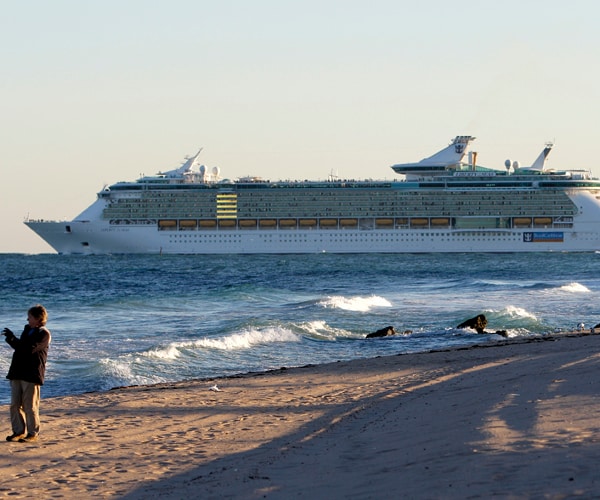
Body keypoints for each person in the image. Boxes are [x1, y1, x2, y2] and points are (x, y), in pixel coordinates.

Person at [2, 305, 51, 443]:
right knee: (14, 404)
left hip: (31, 374)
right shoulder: (28, 330)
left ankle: (32, 433)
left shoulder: (44, 334)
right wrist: (11, 338)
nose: (27, 319)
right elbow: (20, 348)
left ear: (37, 319)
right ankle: (18, 431)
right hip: (17, 372)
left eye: (30, 317)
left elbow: (29, 349)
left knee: (30, 406)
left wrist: (14, 340)